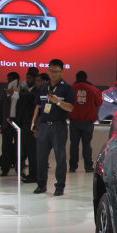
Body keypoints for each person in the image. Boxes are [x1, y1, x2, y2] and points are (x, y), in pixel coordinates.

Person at [31, 59, 75, 196]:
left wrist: (58, 102)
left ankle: (59, 187)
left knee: (60, 158)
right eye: (51, 71)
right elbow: (38, 106)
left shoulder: (67, 88)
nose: (53, 74)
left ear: (61, 72)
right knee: (41, 157)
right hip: (44, 126)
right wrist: (34, 124)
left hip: (59, 127)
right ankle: (41, 184)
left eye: (56, 71)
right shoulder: (43, 87)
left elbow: (70, 108)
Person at [68, 70, 102, 173]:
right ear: (86, 78)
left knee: (74, 144)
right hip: (87, 121)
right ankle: (88, 166)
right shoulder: (92, 89)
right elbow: (99, 102)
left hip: (74, 121)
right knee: (87, 144)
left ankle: (72, 166)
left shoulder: (71, 88)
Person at [16, 67, 39, 182]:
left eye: (30, 78)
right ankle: (28, 172)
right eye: (27, 78)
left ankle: (33, 175)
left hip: (31, 125)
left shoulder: (35, 91)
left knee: (32, 152)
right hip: (24, 125)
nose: (27, 80)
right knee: (26, 150)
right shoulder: (26, 90)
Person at [0, 72, 20, 176]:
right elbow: (0, 107)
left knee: (19, 146)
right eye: (8, 79)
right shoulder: (4, 91)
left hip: (18, 122)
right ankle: (5, 168)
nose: (8, 81)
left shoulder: (21, 90)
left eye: (10, 79)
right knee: (5, 146)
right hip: (7, 122)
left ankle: (19, 167)